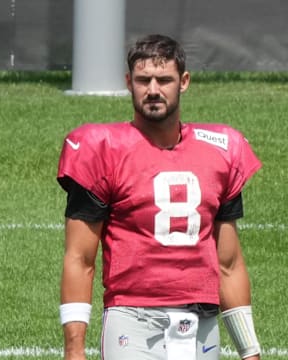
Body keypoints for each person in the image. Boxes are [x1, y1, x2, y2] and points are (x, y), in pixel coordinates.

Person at [57, 34, 262, 360]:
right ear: (128, 83)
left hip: (202, 321)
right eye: (143, 80)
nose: (153, 90)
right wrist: (74, 349)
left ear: (184, 82)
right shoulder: (102, 148)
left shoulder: (222, 150)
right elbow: (80, 259)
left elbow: (229, 264)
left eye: (163, 79)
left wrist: (250, 352)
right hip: (133, 318)